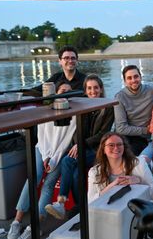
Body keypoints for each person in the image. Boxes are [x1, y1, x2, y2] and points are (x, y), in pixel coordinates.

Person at [7, 82, 76, 239]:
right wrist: (46, 156)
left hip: (59, 153)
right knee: (33, 178)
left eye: (69, 92)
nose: (65, 93)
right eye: (62, 90)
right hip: (42, 149)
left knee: (48, 184)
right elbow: (42, 136)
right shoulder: (46, 109)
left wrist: (53, 159)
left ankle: (34, 226)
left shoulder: (73, 113)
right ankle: (16, 222)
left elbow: (65, 142)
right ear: (56, 92)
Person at [45, 74, 114, 220]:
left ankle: (63, 203)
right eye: (89, 88)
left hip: (98, 149)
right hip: (83, 148)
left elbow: (103, 134)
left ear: (101, 89)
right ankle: (80, 208)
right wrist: (78, 144)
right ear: (85, 90)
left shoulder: (108, 107)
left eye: (96, 87)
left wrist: (81, 144)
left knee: (66, 162)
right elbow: (75, 131)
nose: (93, 91)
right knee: (76, 174)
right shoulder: (81, 106)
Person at [87, 132, 153, 203]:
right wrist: (112, 186)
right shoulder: (94, 172)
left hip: (139, 210)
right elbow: (90, 201)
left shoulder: (139, 164)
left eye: (119, 144)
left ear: (124, 147)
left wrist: (139, 181)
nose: (116, 148)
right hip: (112, 211)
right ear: (103, 150)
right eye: (111, 145)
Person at [114, 65, 153, 155]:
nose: (133, 80)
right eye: (129, 78)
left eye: (136, 76)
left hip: (148, 137)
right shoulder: (119, 97)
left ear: (140, 77)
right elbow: (121, 128)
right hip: (128, 136)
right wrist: (146, 130)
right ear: (125, 81)